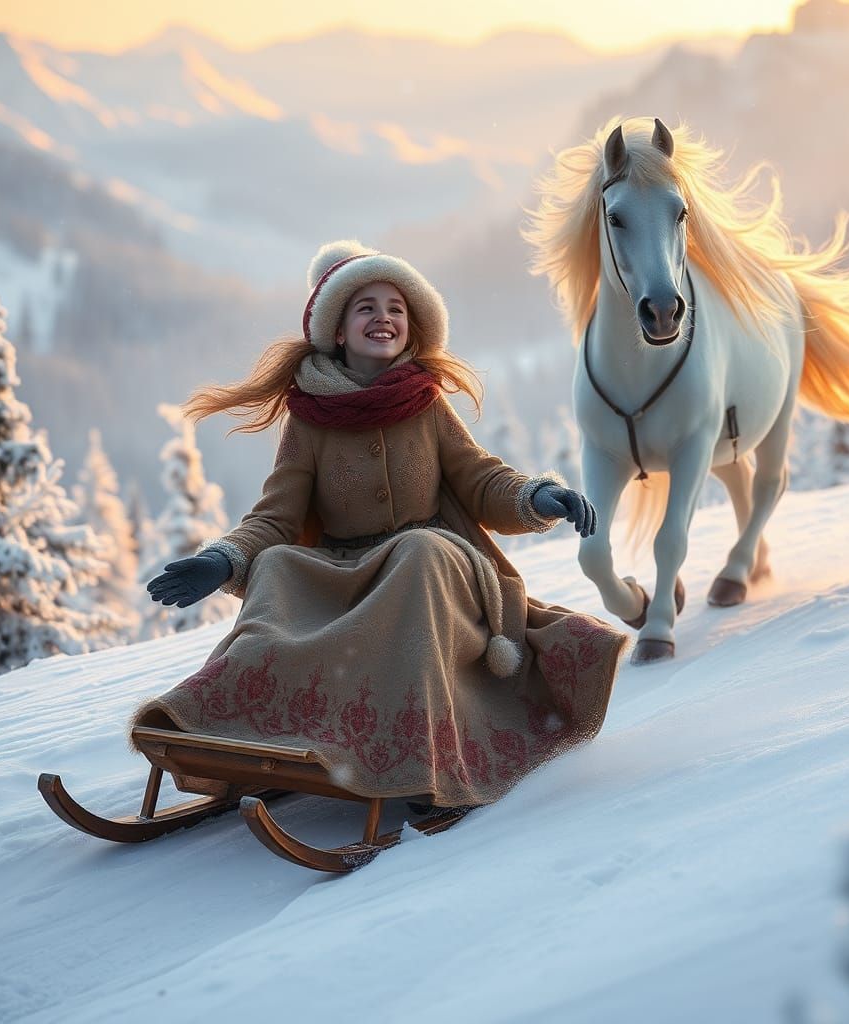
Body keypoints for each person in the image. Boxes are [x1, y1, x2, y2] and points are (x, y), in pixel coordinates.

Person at [137, 240, 630, 809]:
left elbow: (481, 479)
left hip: (438, 568)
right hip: (348, 572)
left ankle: (424, 756)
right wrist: (223, 559)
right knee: (277, 565)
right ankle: (232, 729)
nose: (384, 318)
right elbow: (277, 515)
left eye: (395, 307)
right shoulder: (309, 420)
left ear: (411, 326)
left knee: (417, 552)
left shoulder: (426, 404)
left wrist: (539, 496)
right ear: (339, 332)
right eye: (365, 307)